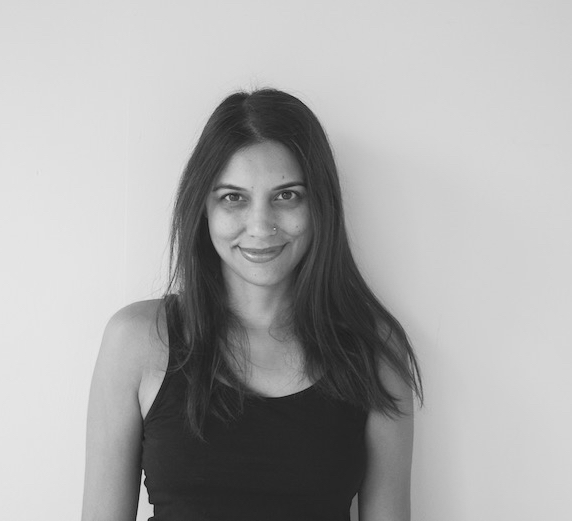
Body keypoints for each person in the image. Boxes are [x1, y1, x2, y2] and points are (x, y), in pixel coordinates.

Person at [81, 88, 423, 521]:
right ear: (203, 208)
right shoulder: (136, 340)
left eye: (286, 195)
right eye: (233, 197)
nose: (260, 227)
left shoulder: (374, 350)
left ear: (320, 205)